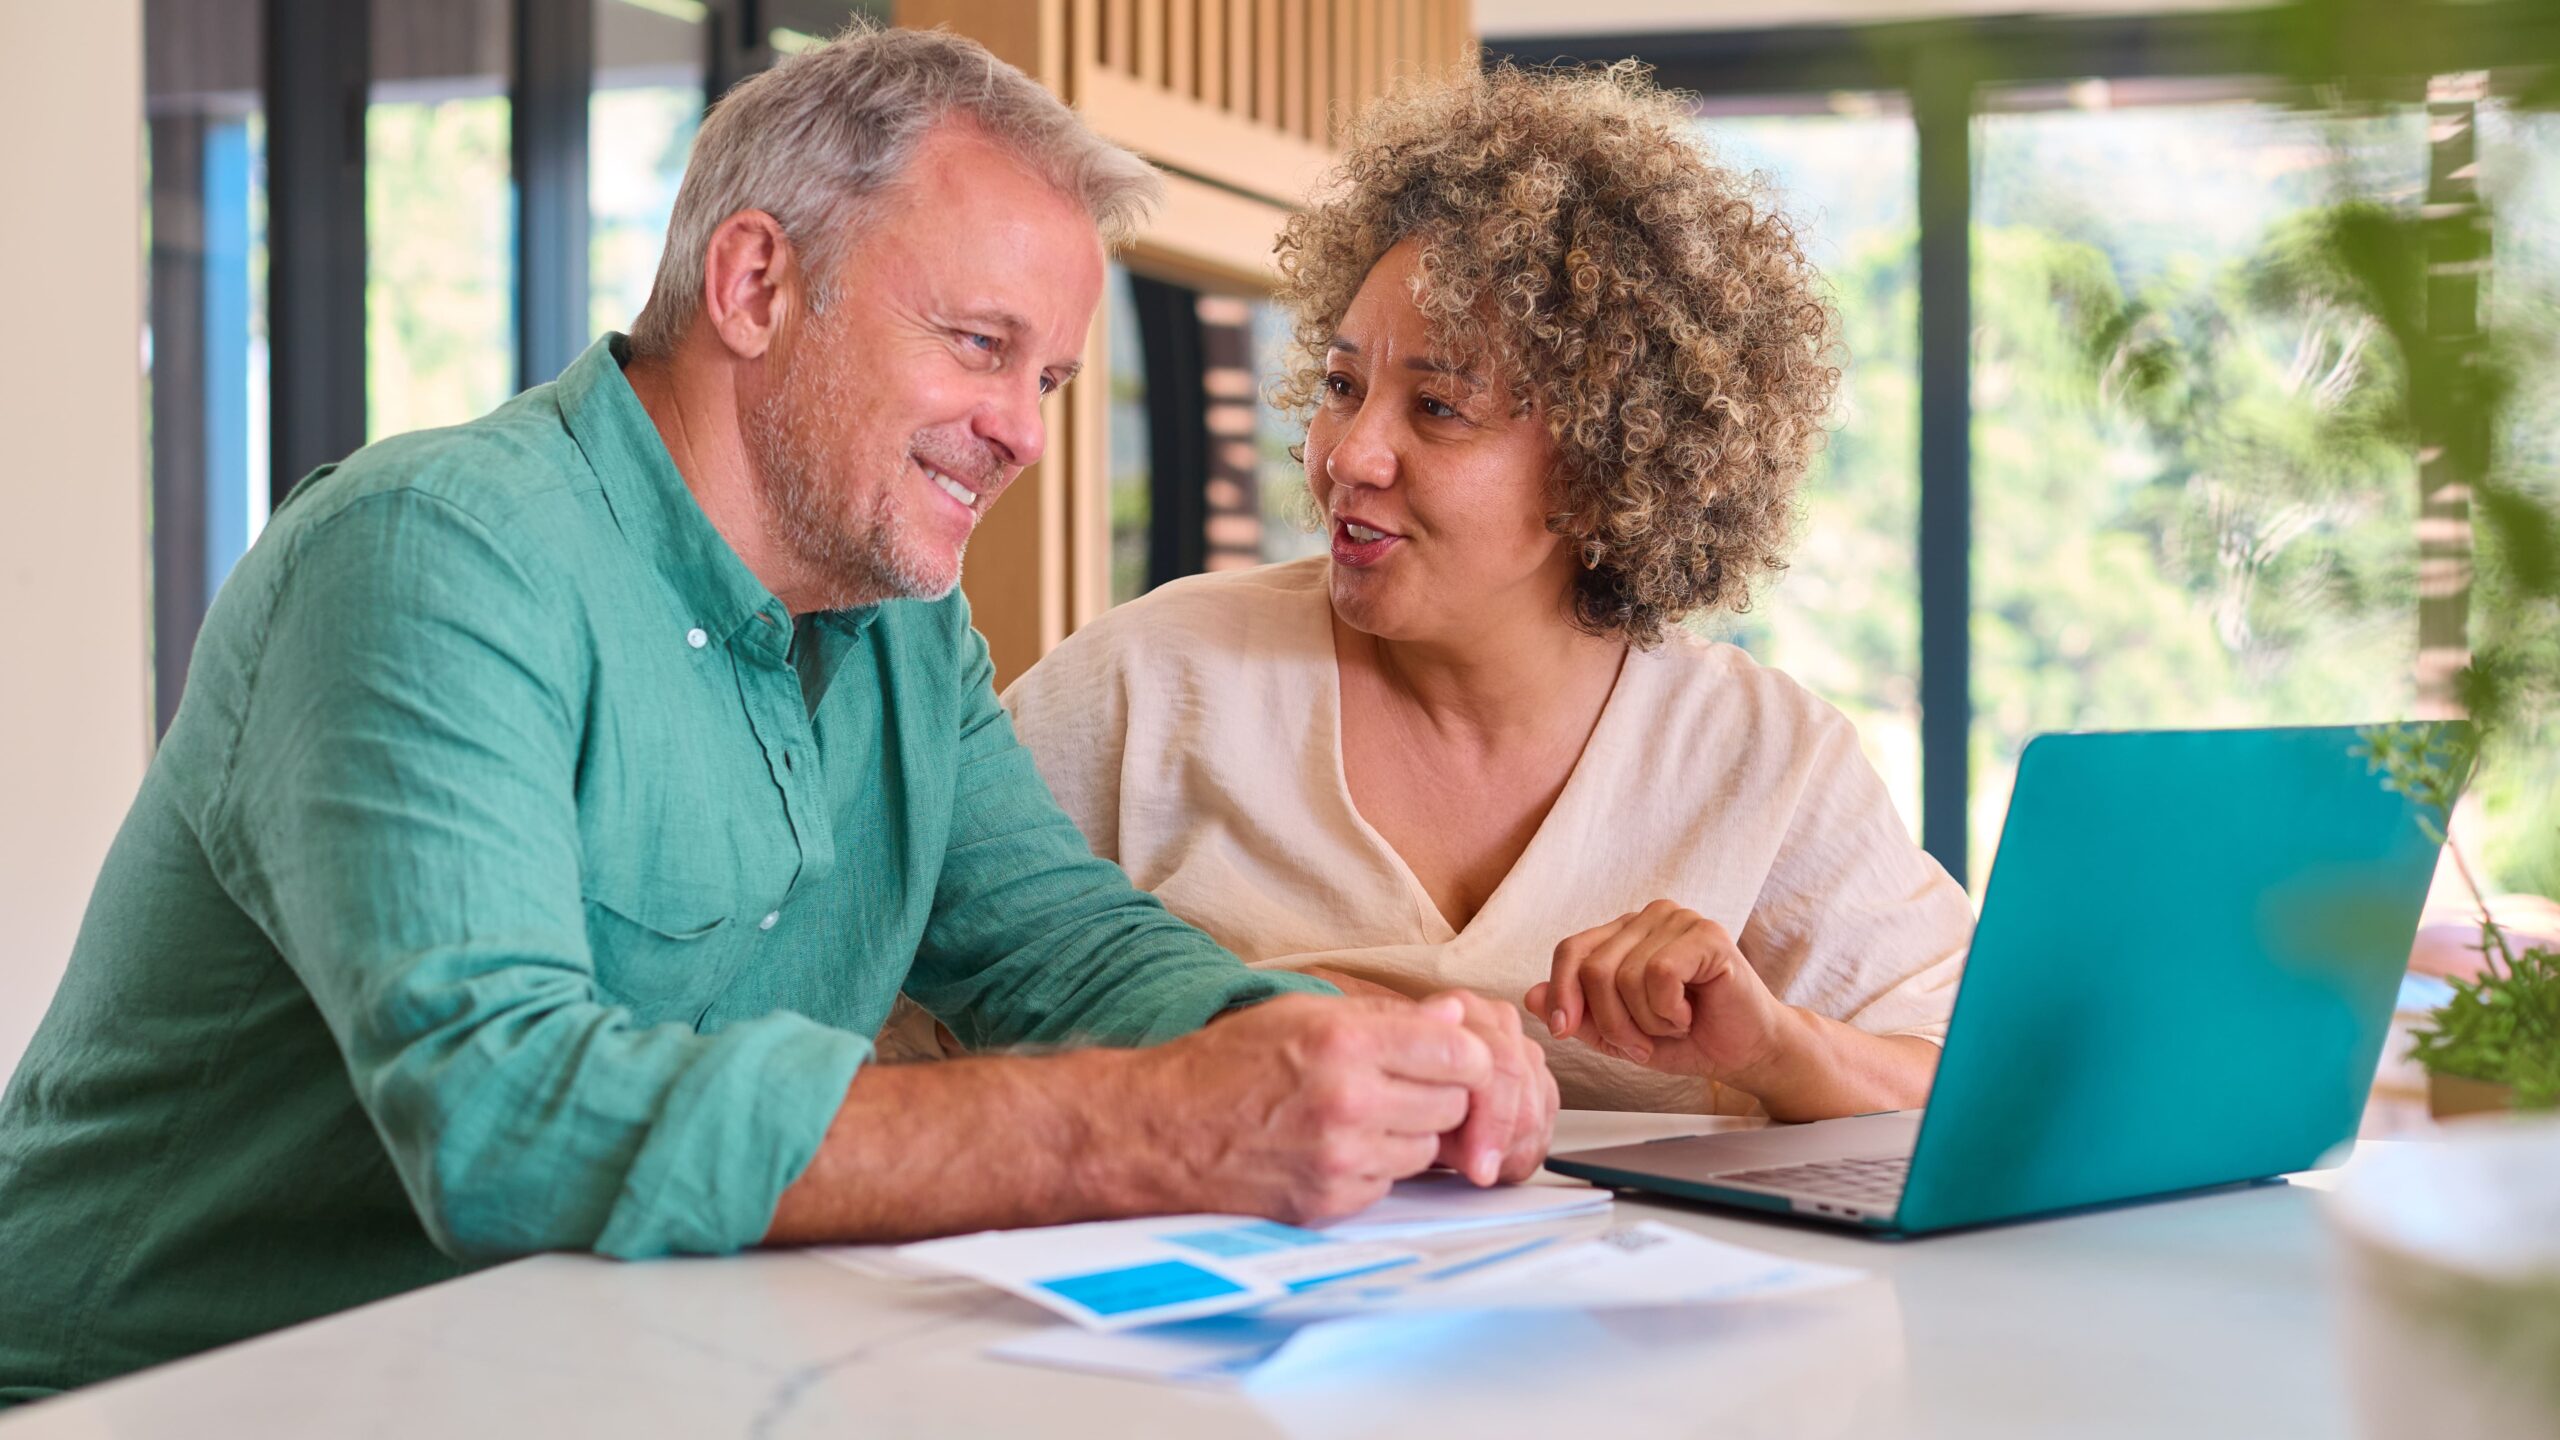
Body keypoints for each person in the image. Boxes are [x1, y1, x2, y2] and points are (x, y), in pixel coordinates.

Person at [0, 26, 1552, 1406]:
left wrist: (1343, 1053)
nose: (1020, 431)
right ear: (755, 283)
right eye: (979, 344)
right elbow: (501, 1116)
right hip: (157, 1398)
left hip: (572, 1379)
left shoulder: (901, 621)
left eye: (1055, 380)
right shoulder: (432, 555)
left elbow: (1059, 947)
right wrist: (1151, 1122)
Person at [1003, 62, 1975, 1119]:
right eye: (1341, 386)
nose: (1349, 455)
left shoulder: (1758, 757)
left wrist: (1775, 1048)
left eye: (1438, 408)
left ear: (1607, 469)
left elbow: (1978, 1082)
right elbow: (900, 1018)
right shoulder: (1149, 682)